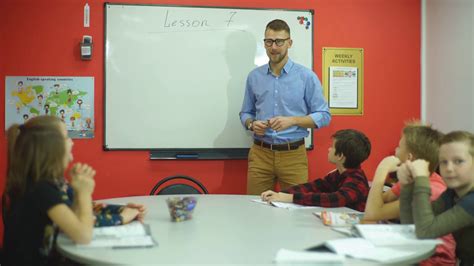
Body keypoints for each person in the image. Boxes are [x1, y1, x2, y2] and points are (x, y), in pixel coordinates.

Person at [2, 116, 146, 265]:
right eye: (67, 137)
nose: (72, 142)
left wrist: (121, 209)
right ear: (52, 147)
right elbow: (83, 235)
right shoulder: (40, 189)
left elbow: (79, 211)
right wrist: (84, 193)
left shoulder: (55, 182)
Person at [239, 19, 331, 195]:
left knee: (295, 210)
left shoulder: (306, 77)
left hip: (293, 156)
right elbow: (246, 113)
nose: (273, 47)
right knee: (254, 209)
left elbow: (324, 115)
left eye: (279, 41)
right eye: (269, 41)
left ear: (289, 42)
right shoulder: (254, 77)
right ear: (264, 43)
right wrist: (251, 124)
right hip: (260, 154)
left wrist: (293, 121)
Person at [363, 122, 456, 265]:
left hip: (430, 261)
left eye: (399, 147)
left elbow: (372, 212)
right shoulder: (412, 178)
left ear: (409, 158)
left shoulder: (431, 190)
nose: (395, 150)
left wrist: (382, 170)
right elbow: (379, 202)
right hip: (411, 250)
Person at [399, 131, 474, 265]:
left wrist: (422, 179)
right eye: (444, 162)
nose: (449, 168)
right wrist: (407, 185)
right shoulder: (452, 194)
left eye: (458, 161)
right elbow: (412, 225)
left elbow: (426, 232)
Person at [260, 129, 370, 212]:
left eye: (332, 147)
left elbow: (336, 199)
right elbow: (315, 186)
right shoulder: (338, 174)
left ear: (340, 156)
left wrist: (291, 198)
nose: (329, 149)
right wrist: (281, 194)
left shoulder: (356, 180)